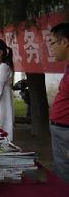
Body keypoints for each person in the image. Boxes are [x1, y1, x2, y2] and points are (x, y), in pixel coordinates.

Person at [49, 22, 69, 183]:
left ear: (65, 42)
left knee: (64, 172)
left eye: (53, 43)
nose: (52, 48)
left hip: (66, 131)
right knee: (60, 169)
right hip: (60, 130)